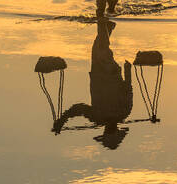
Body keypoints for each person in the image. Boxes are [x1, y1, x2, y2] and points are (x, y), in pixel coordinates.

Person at [53, 18, 134, 149]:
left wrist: (63, 120)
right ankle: (102, 18)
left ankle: (107, 24)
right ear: (116, 130)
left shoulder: (98, 117)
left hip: (98, 73)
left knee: (97, 47)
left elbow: (78, 109)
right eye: (110, 131)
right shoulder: (123, 112)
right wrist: (127, 70)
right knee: (101, 49)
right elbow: (127, 89)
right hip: (110, 73)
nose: (108, 129)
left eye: (107, 131)